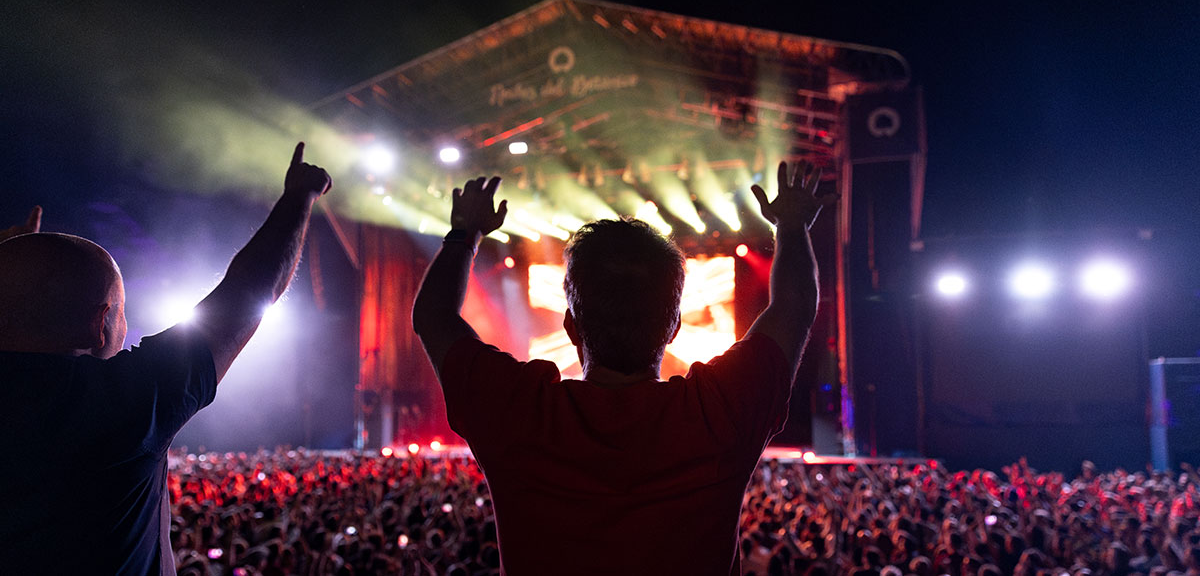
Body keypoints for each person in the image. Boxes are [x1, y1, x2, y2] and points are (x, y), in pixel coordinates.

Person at [412, 162, 835, 575]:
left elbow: (433, 316)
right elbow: (794, 308)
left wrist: (464, 234)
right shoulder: (716, 412)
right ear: (674, 328)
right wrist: (794, 227)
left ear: (571, 327)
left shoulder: (519, 409)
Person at [0, 143, 331, 575]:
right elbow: (249, 293)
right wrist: (300, 196)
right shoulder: (119, 404)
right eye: (120, 311)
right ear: (100, 323)